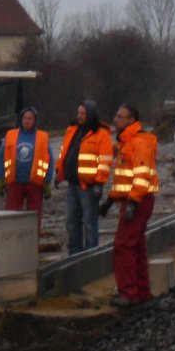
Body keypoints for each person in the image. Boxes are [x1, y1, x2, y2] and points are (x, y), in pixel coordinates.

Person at [100, 103, 159, 306]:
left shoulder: (138, 142)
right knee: (137, 246)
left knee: (123, 246)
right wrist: (110, 200)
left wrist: (133, 203)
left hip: (138, 200)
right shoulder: (129, 141)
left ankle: (128, 293)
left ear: (131, 120)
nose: (115, 120)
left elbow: (142, 175)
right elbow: (125, 179)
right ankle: (141, 292)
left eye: (120, 116)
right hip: (137, 199)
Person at [54, 100, 113, 255]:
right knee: (71, 222)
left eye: (83, 114)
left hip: (89, 186)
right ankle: (75, 254)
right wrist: (59, 173)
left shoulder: (101, 134)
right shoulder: (72, 130)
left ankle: (91, 255)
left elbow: (105, 160)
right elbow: (64, 153)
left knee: (89, 223)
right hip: (72, 184)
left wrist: (99, 183)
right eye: (78, 113)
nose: (80, 116)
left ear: (91, 115)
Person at [0, 107, 53, 233]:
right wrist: (0, 179)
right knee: (11, 216)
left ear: (35, 120)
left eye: (30, 118)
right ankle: (11, 239)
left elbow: (50, 160)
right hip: (14, 182)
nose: (27, 121)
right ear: (20, 120)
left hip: (35, 184)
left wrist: (47, 182)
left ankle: (32, 241)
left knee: (34, 217)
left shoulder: (43, 137)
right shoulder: (10, 135)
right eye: (25, 118)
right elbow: (1, 158)